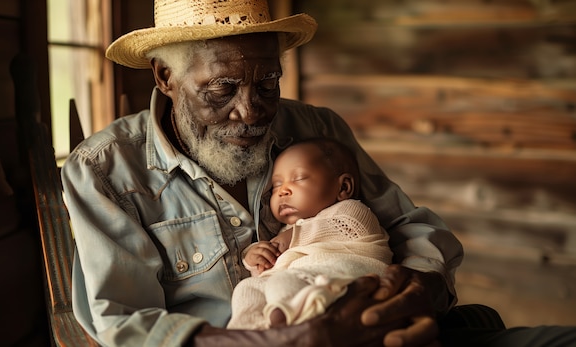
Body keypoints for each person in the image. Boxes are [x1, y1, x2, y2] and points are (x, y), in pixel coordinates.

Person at [61, 0, 576, 346]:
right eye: (221, 89)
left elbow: (412, 226)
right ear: (165, 76)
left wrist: (423, 288)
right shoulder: (105, 170)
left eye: (267, 83)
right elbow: (126, 325)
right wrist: (288, 342)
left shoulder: (315, 128)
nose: (253, 110)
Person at [227, 138, 393, 330]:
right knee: (247, 289)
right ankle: (247, 331)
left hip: (347, 273)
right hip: (296, 279)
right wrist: (256, 260)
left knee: (282, 282)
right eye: (276, 186)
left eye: (298, 178)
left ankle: (291, 317)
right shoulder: (285, 230)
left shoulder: (350, 210)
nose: (283, 191)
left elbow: (353, 227)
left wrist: (294, 236)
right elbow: (270, 268)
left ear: (344, 187)